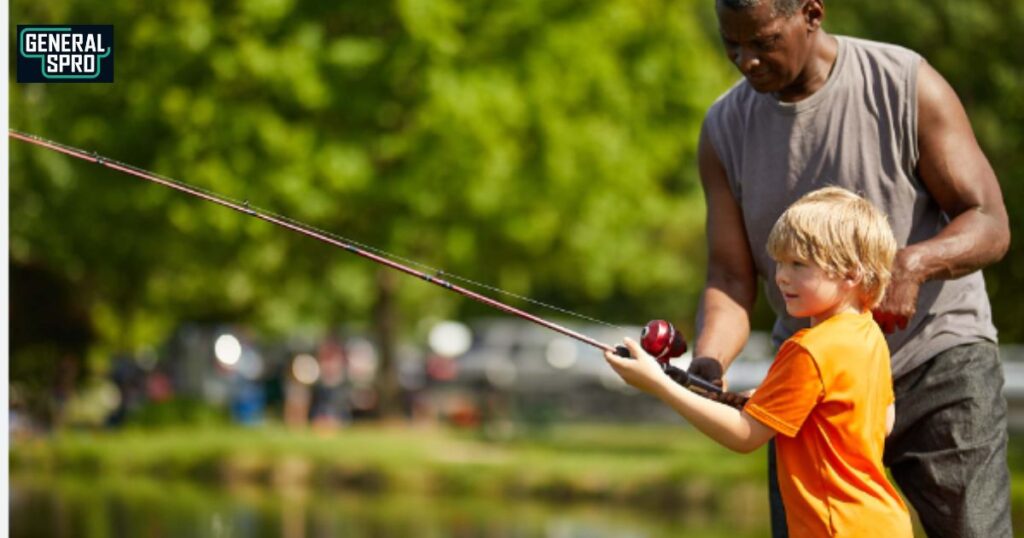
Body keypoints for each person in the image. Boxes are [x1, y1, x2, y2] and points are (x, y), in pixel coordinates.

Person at [688, 1, 1012, 537]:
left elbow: (990, 221)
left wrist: (911, 266)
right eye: (732, 44)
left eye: (763, 41)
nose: (746, 60)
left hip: (937, 357)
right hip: (812, 378)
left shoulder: (905, 83)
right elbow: (730, 278)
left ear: (811, 13)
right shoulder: (724, 127)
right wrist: (708, 361)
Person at [607, 187, 912, 537]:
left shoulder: (810, 349)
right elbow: (881, 420)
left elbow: (744, 435)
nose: (782, 275)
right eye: (780, 262)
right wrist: (778, 401)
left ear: (851, 274)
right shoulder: (867, 333)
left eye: (799, 264)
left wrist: (658, 384)